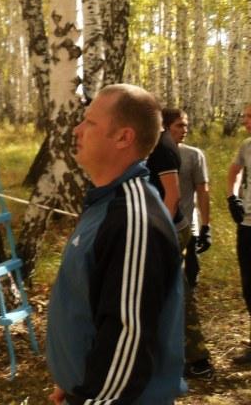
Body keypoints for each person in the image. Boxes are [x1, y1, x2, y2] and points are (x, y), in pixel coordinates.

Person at [47, 84, 185, 404]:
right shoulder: (105, 202)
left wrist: (89, 398)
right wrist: (70, 382)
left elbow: (128, 336)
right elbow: (93, 302)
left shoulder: (133, 219)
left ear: (123, 137)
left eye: (90, 123)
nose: (78, 130)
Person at [163, 107, 213, 380]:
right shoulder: (151, 155)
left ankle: (195, 357)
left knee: (184, 293)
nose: (184, 129)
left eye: (186, 125)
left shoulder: (194, 156)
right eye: (179, 125)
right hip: (159, 234)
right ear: (165, 126)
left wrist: (206, 227)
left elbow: (203, 193)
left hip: (185, 233)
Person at [227, 103, 251, 365]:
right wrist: (231, 197)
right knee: (249, 285)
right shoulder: (246, 146)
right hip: (247, 225)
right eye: (246, 116)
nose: (246, 121)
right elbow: (234, 172)